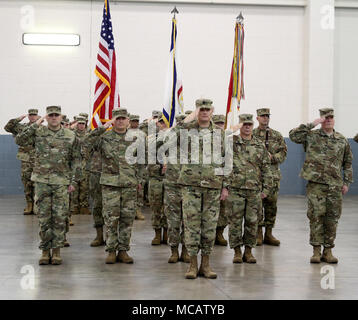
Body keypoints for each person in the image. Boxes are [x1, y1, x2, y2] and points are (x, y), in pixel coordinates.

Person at [15, 106, 81, 265]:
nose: (53, 118)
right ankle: (45, 251)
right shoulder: (38, 132)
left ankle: (57, 251)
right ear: (46, 117)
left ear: (61, 117)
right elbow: (20, 140)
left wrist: (73, 181)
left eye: (56, 115)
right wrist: (36, 123)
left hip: (61, 183)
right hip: (42, 181)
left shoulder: (70, 135)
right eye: (50, 115)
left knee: (59, 217)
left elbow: (76, 160)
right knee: (44, 217)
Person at [289, 108, 353, 263]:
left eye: (331, 117)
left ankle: (328, 251)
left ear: (334, 120)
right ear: (321, 120)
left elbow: (348, 163)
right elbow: (293, 136)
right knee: (316, 217)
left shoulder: (341, 139)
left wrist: (347, 182)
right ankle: (316, 251)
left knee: (332, 218)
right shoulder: (311, 136)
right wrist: (312, 124)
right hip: (316, 185)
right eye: (325, 118)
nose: (328, 120)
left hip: (335, 185)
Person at [177, 98, 227, 279]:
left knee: (209, 226)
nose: (204, 112)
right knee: (191, 225)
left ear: (212, 111)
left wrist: (225, 186)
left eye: (207, 109)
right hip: (190, 185)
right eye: (201, 109)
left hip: (213, 186)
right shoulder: (187, 130)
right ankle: (192, 265)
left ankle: (206, 264)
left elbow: (226, 160)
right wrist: (188, 118)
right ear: (197, 111)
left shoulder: (220, 133)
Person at [86, 108, 142, 264]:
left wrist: (140, 180)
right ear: (113, 120)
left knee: (127, 218)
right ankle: (111, 250)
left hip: (129, 184)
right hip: (110, 185)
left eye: (123, 118)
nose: (120, 121)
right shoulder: (104, 138)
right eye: (117, 118)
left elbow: (142, 163)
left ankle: (123, 250)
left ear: (128, 121)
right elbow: (86, 142)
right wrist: (102, 128)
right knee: (111, 218)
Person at [222, 114, 272, 264]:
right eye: (244, 124)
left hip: (254, 190)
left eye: (250, 124)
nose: (248, 127)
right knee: (235, 222)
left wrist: (266, 188)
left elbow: (266, 168)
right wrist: (224, 187)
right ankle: (237, 252)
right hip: (235, 189)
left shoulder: (259, 145)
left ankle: (248, 251)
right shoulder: (231, 142)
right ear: (240, 125)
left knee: (252, 222)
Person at [253, 108, 287, 246]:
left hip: (272, 176)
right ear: (257, 118)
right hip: (256, 176)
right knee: (257, 206)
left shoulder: (276, 135)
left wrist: (273, 157)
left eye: (267, 116)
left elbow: (283, 152)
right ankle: (258, 234)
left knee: (271, 206)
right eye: (262, 116)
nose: (265, 118)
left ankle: (269, 233)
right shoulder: (252, 134)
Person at [4, 109, 40, 215]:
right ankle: (29, 205)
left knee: (38, 183)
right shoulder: (22, 127)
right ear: (28, 116)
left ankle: (37, 206)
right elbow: (7, 128)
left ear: (37, 116)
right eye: (31, 115)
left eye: (35, 115)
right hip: (26, 159)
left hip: (38, 160)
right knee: (26, 182)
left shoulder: (42, 128)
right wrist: (18, 119)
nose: (33, 117)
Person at [147, 114, 168, 245]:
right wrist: (160, 168)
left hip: (171, 181)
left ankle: (166, 233)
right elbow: (147, 162)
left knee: (169, 208)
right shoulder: (151, 141)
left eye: (166, 122)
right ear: (157, 124)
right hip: (156, 179)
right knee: (156, 207)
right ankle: (157, 234)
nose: (164, 124)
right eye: (161, 122)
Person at [212, 114, 229, 246]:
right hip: (210, 179)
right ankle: (210, 235)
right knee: (210, 209)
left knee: (223, 209)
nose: (219, 126)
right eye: (216, 124)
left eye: (221, 124)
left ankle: (220, 233)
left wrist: (226, 184)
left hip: (223, 178)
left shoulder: (228, 141)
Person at [70, 116, 90, 215]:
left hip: (85, 163)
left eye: (83, 124)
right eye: (79, 124)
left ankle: (84, 206)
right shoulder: (72, 134)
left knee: (84, 186)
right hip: (75, 162)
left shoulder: (88, 135)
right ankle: (74, 207)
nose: (81, 126)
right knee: (74, 186)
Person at [129, 114, 146, 221]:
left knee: (140, 188)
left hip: (139, 163)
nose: (135, 123)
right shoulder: (125, 133)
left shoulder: (142, 134)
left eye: (136, 121)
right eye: (133, 121)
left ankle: (138, 210)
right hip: (128, 164)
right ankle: (130, 210)